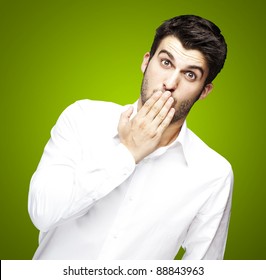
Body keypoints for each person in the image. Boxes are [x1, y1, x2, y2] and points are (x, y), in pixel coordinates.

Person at [28, 15, 234, 260]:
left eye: (190, 75)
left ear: (204, 91)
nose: (170, 83)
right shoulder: (82, 118)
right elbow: (42, 213)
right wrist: (127, 153)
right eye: (166, 62)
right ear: (146, 62)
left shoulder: (214, 174)